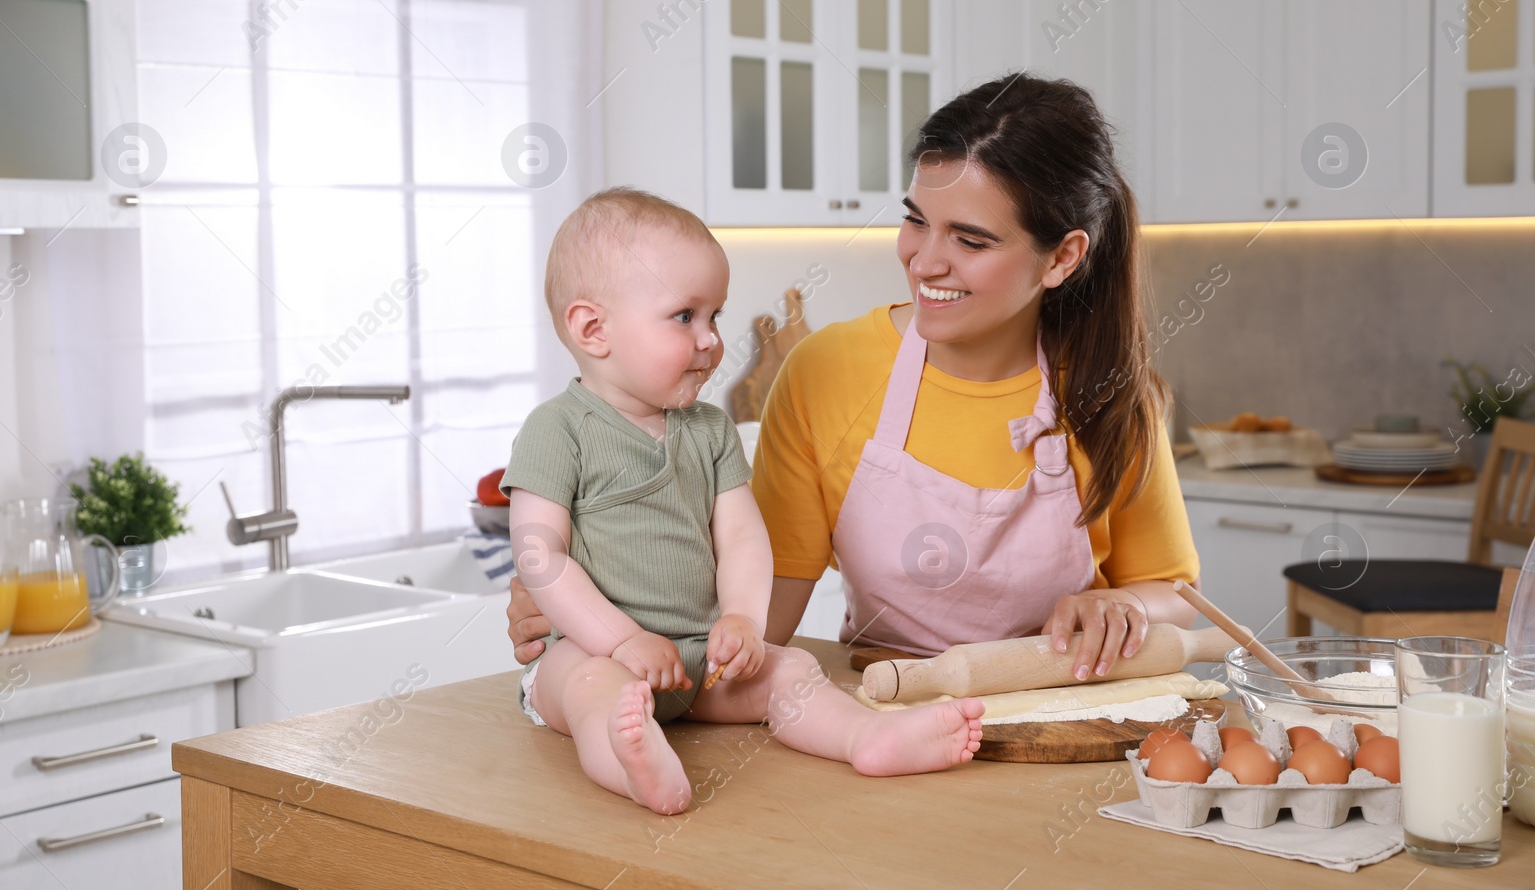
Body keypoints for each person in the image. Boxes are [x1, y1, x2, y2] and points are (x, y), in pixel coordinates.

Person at [506, 73, 1200, 687]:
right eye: (915, 221)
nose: (925, 261)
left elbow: (1187, 601)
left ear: (1062, 257)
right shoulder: (825, 373)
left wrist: (1129, 604)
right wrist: (594, 615)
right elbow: (754, 609)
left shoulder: (1111, 394)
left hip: (1070, 726)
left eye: (970, 239)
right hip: (888, 708)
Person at [503, 188, 984, 815]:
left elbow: (742, 538)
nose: (709, 341)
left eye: (714, 317)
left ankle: (866, 737)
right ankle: (636, 769)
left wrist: (740, 621)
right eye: (684, 317)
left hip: (699, 662)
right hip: (591, 655)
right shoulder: (556, 429)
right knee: (595, 692)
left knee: (790, 669)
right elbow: (540, 556)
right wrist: (622, 644)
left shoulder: (709, 430)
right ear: (594, 329)